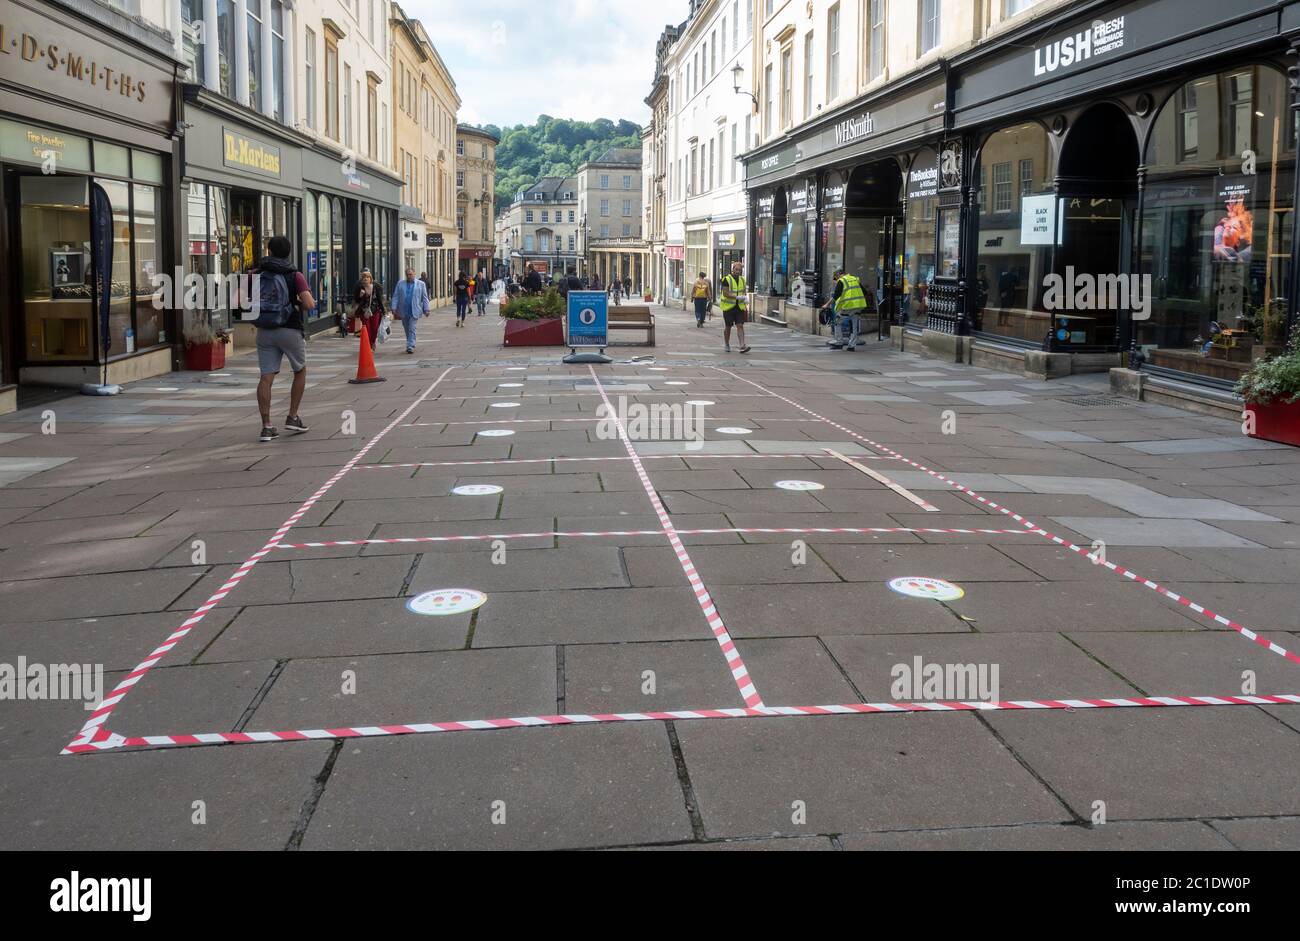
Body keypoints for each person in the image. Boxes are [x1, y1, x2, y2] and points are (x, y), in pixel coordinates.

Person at [249, 235, 315, 442]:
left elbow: (238, 301)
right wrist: (294, 301)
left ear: (269, 251)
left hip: (264, 330)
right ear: (288, 252)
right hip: (290, 328)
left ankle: (266, 426)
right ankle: (292, 416)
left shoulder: (254, 274)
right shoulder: (294, 275)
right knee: (300, 370)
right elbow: (309, 304)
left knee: (266, 376)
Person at [819, 268, 872, 351]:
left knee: (837, 322)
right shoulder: (854, 279)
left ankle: (839, 342)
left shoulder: (842, 281)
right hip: (858, 306)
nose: (836, 280)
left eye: (836, 278)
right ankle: (851, 346)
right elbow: (865, 292)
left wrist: (826, 305)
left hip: (848, 306)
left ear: (838, 275)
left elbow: (836, 296)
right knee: (854, 326)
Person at [391, 266, 431, 353]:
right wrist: (394, 307)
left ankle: (410, 345)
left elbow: (425, 297)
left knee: (412, 327)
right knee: (406, 328)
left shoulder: (421, 284)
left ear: (414, 274)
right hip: (403, 310)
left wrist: (426, 309)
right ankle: (410, 341)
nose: (409, 276)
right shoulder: (400, 284)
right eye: (407, 274)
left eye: (411, 274)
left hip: (414, 309)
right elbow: (396, 296)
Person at [719, 260, 750, 354]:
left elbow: (743, 292)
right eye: (736, 269)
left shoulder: (742, 280)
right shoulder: (726, 279)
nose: (738, 272)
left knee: (740, 325)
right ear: (733, 269)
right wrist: (736, 297)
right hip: (728, 307)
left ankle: (742, 346)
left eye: (739, 270)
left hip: (739, 307)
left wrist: (745, 298)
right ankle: (727, 344)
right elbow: (725, 293)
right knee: (728, 327)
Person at [352, 269, 386, 350]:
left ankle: (373, 342)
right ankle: (369, 344)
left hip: (375, 310)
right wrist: (360, 296)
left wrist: (384, 311)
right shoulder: (359, 287)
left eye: (367, 277)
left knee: (374, 328)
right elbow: (356, 300)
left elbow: (379, 299)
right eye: (364, 277)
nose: (366, 279)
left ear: (371, 278)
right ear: (362, 279)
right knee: (367, 328)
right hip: (364, 311)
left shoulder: (376, 287)